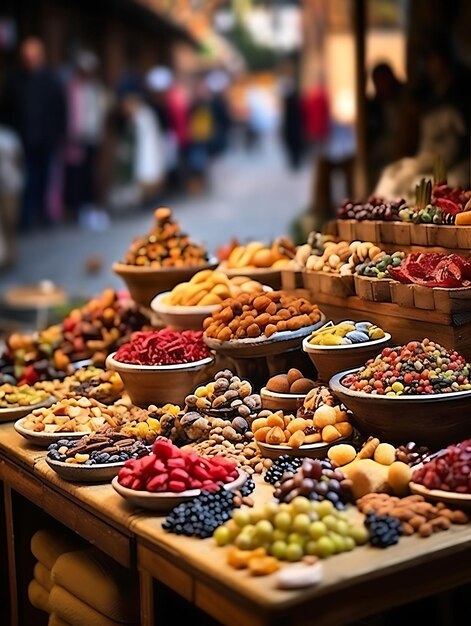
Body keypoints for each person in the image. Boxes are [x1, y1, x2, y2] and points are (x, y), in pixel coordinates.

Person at [2, 37, 66, 231]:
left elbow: (60, 110)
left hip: (45, 139)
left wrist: (59, 135)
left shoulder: (51, 80)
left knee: (45, 178)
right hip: (22, 140)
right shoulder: (16, 80)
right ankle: (26, 218)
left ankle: (42, 214)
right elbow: (7, 110)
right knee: (25, 180)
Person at [63, 50, 110, 229]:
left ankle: (91, 208)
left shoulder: (96, 87)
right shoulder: (73, 88)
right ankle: (78, 209)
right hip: (76, 137)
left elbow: (101, 110)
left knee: (92, 173)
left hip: (93, 136)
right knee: (77, 175)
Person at [109, 75, 165, 210]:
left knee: (149, 175)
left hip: (148, 156)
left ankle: (150, 198)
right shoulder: (140, 115)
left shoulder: (144, 115)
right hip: (144, 156)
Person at [366, 62, 408, 189]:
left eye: (384, 79)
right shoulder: (374, 108)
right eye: (377, 81)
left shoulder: (406, 103)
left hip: (403, 154)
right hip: (381, 156)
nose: (381, 84)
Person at [0, 124, 23, 269]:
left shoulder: (8, 137)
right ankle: (4, 256)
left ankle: (11, 255)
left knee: (10, 221)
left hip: (10, 185)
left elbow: (18, 160)